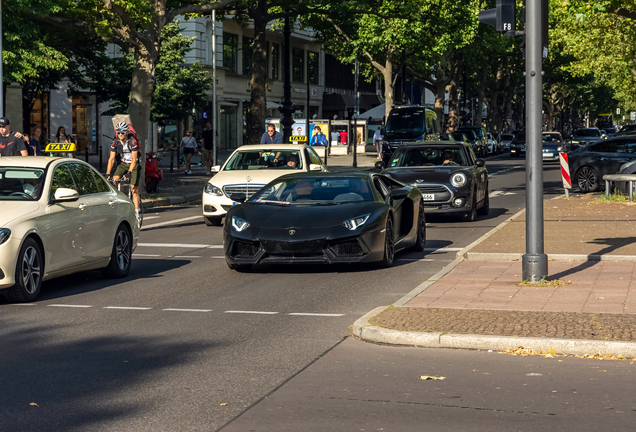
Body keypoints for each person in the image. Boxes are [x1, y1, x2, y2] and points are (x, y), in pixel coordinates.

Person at [106, 122, 141, 221]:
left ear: (126, 132)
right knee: (115, 180)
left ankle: (137, 211)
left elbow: (134, 160)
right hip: (123, 163)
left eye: (122, 133)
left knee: (134, 189)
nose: (120, 135)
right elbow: (111, 159)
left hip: (133, 164)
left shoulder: (132, 141)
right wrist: (108, 173)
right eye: (119, 133)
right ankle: (121, 199)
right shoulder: (116, 142)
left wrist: (129, 172)